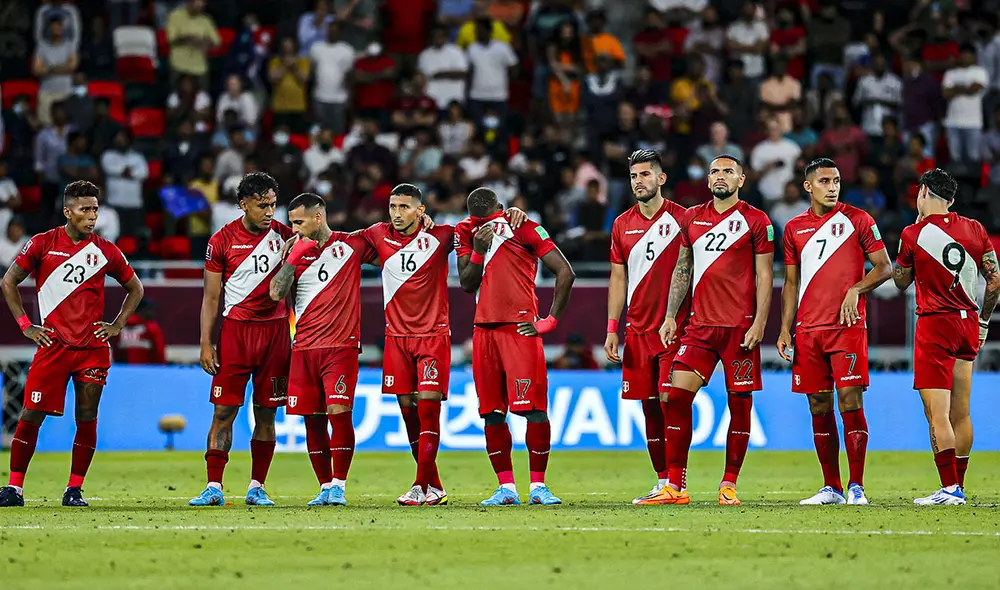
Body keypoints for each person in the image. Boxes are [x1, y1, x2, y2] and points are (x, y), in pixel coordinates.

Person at [359, 183, 526, 506]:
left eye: (404, 207)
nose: (396, 213)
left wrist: (512, 213)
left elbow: (484, 222)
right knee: (408, 411)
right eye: (393, 207)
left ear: (421, 211)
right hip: (396, 338)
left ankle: (421, 486)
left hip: (433, 336)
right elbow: (341, 243)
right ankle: (433, 485)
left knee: (427, 409)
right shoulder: (377, 234)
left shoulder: (444, 235)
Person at [0, 181, 144, 508]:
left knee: (87, 416)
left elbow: (135, 289)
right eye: (85, 210)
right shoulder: (42, 244)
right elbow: (8, 281)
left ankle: (74, 489)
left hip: (92, 349)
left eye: (95, 209)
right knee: (31, 414)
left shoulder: (106, 251)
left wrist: (117, 324)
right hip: (52, 347)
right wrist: (26, 326)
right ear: (68, 211)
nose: (92, 216)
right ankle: (14, 488)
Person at [658, 155, 774, 506]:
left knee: (739, 405)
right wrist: (668, 316)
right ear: (707, 180)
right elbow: (683, 269)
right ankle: (675, 487)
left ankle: (728, 484)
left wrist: (760, 323)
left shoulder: (756, 220)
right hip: (699, 327)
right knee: (676, 398)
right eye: (714, 171)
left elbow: (766, 275)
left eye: (727, 171)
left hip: (739, 328)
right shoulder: (692, 217)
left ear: (741, 179)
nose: (719, 176)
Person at [776, 158, 893, 506]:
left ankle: (856, 486)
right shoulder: (793, 228)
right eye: (824, 181)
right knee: (818, 404)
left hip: (847, 327)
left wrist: (856, 290)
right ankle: (832, 487)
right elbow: (791, 282)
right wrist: (784, 328)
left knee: (850, 401)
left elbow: (885, 266)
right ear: (808, 186)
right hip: (808, 330)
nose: (832, 186)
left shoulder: (858, 219)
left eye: (837, 180)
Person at [455, 187, 576, 506]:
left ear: (501, 207)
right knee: (491, 414)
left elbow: (565, 271)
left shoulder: (523, 225)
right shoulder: (465, 231)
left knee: (534, 410)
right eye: (478, 218)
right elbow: (467, 284)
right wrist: (479, 250)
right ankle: (506, 488)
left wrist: (549, 321)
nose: (484, 223)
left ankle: (538, 486)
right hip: (484, 332)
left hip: (521, 329)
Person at [893, 169, 1000, 505]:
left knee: (936, 412)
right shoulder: (975, 228)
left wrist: (909, 242)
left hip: (935, 324)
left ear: (923, 192)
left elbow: (900, 281)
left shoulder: (913, 233)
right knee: (961, 412)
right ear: (951, 200)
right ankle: (960, 486)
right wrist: (983, 321)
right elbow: (995, 281)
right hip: (968, 323)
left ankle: (949, 487)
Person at [187, 172, 293, 507]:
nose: (269, 212)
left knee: (266, 414)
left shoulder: (286, 236)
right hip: (236, 333)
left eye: (274, 205)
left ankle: (257, 486)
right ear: (243, 204)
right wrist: (206, 342)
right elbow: (211, 297)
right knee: (224, 412)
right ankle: (214, 486)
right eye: (262, 205)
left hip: (276, 333)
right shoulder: (221, 241)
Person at [268, 193, 378, 507]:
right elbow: (276, 293)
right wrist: (290, 260)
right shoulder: (292, 251)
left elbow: (392, 247)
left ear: (318, 217)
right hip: (303, 347)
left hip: (340, 347)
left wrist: (421, 222)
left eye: (299, 222)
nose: (294, 229)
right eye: (291, 223)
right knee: (312, 420)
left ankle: (340, 486)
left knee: (339, 414)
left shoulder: (351, 245)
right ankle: (325, 486)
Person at [605, 149, 689, 505]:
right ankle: (662, 481)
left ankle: (677, 483)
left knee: (672, 399)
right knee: (649, 406)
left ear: (660, 178)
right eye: (633, 176)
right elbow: (618, 277)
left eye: (644, 175)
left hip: (674, 329)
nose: (638, 181)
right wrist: (612, 328)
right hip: (636, 331)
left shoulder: (685, 219)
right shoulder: (622, 224)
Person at [113, 300, 166, 365]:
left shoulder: (119, 326)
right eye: (150, 310)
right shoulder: (151, 327)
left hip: (123, 369)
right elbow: (159, 351)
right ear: (142, 310)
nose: (153, 313)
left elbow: (115, 350)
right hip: (147, 370)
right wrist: (162, 367)